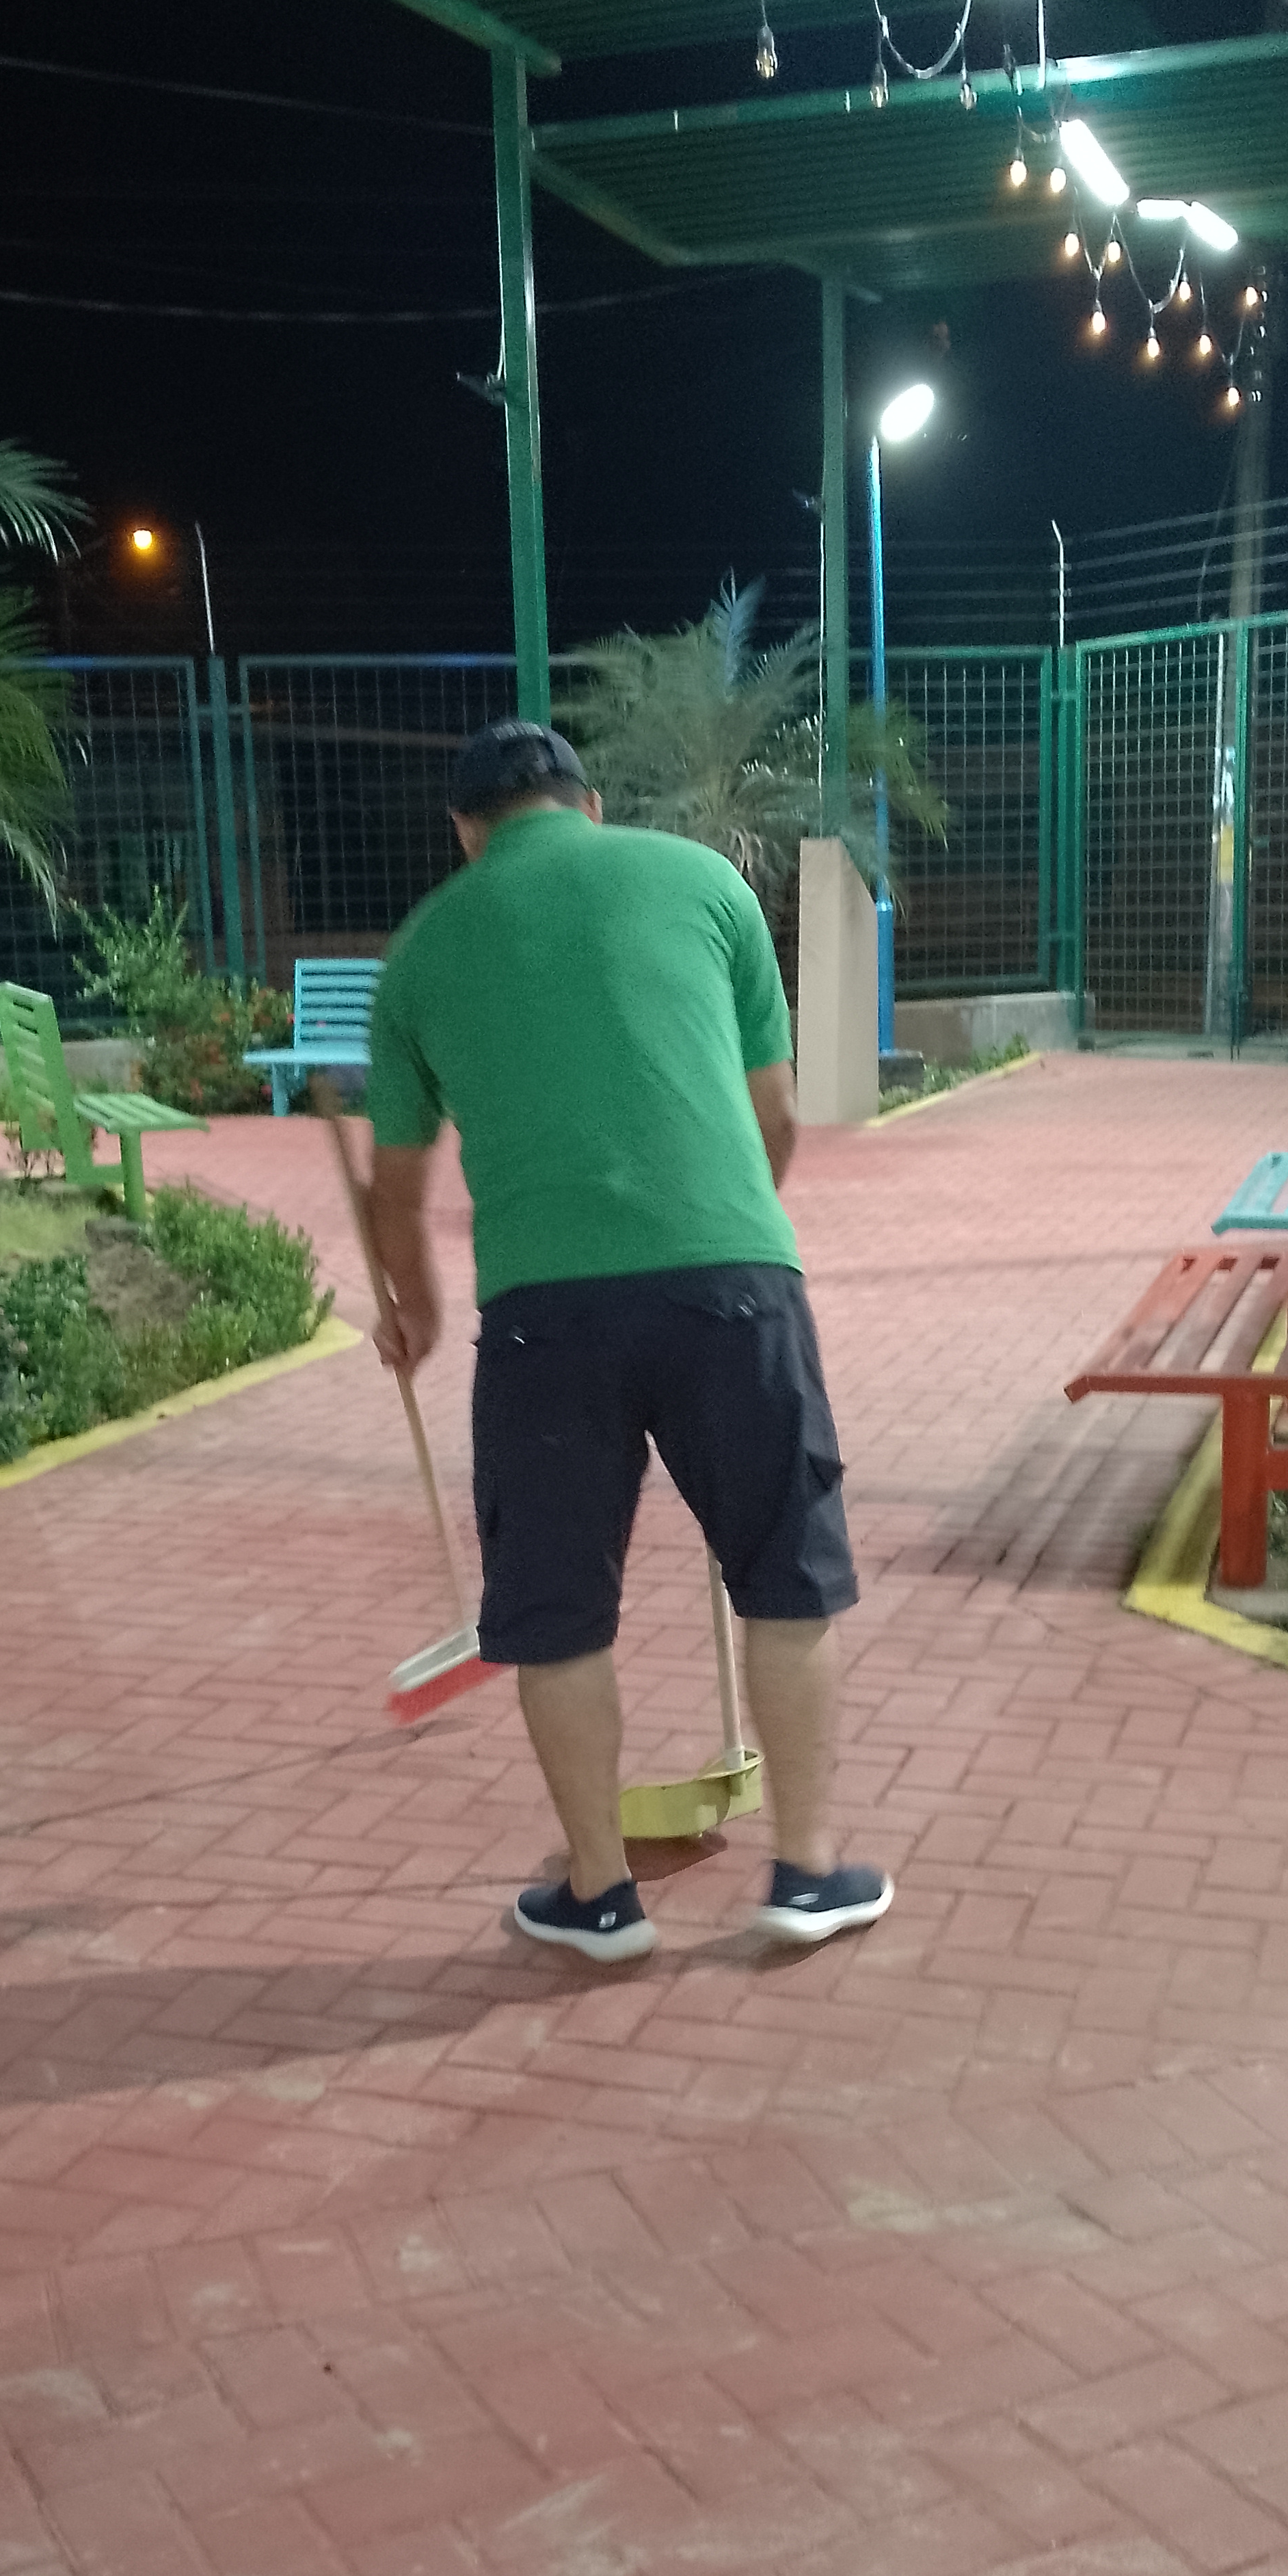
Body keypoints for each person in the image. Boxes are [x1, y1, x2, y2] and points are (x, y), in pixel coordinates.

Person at [362, 718, 892, 1965]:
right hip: (734, 1284)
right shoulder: (706, 883)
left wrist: (415, 1310)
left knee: (555, 1610)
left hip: (544, 1317)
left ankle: (600, 1898)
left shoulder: (424, 947)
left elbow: (395, 1185)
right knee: (787, 1572)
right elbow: (773, 1115)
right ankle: (809, 1874)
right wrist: (723, 1234)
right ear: (588, 805)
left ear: (466, 831)